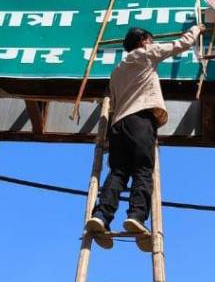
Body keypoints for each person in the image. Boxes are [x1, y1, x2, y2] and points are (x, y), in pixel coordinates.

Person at [85, 23, 205, 249]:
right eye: (150, 39)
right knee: (142, 169)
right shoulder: (146, 53)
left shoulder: (116, 71)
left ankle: (101, 216)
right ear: (142, 41)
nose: (152, 43)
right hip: (140, 120)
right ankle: (137, 217)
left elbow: (113, 104)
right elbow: (180, 44)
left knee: (118, 172)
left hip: (118, 126)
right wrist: (196, 29)